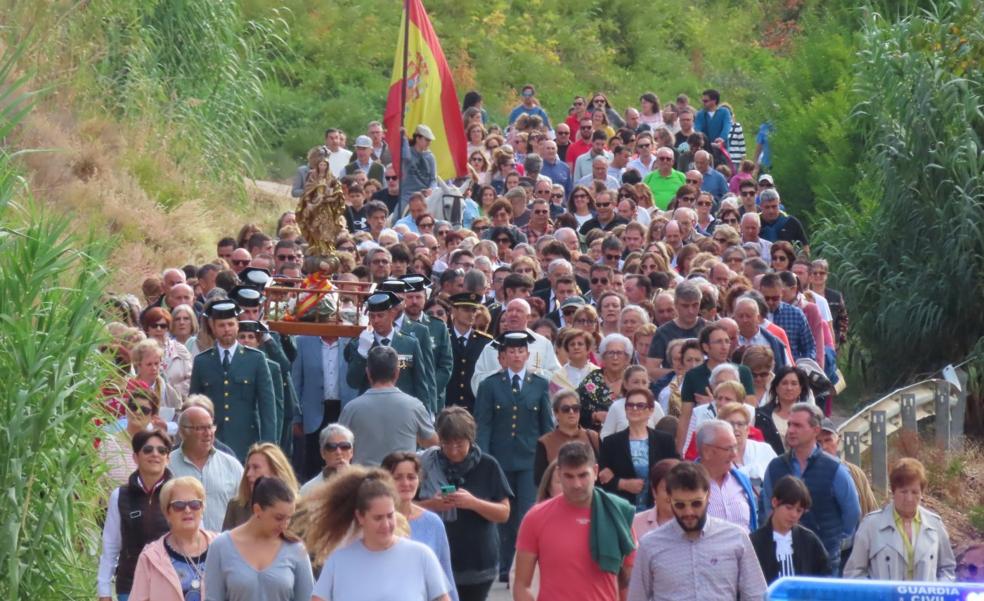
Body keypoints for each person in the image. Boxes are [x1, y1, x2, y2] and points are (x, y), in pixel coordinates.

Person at [473, 331, 554, 583]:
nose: (516, 356)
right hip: (500, 459)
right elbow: (483, 425)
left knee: (528, 514)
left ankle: (524, 567)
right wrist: (484, 460)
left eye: (521, 351)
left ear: (528, 355)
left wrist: (547, 461)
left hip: (530, 460)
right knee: (504, 515)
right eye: (511, 352)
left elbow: (547, 428)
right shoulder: (490, 385)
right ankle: (504, 566)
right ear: (503, 357)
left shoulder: (539, 384)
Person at [514, 441, 636, 601]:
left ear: (595, 471)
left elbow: (629, 581)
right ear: (558, 474)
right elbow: (522, 585)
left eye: (583, 475)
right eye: (569, 476)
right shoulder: (535, 517)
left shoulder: (618, 513)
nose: (576, 484)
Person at [627, 462, 767, 601]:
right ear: (670, 499)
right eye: (680, 505)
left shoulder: (737, 537)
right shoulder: (649, 545)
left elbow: (756, 595)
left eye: (696, 503)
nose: (689, 512)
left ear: (708, 495)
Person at [307, 467, 452, 601]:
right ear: (360, 517)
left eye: (390, 516)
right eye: (378, 518)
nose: (386, 525)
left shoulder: (422, 555)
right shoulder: (338, 560)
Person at [418, 407, 511, 601]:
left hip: (478, 562)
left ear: (471, 438)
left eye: (459, 444)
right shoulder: (426, 465)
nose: (453, 450)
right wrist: (432, 504)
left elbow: (504, 513)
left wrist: (474, 503)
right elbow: (405, 508)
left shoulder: (488, 465)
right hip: (436, 559)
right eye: (446, 444)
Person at [762, 402, 861, 573]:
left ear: (815, 431)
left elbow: (852, 513)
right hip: (783, 560)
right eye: (789, 424)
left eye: (798, 425)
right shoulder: (775, 467)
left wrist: (835, 542)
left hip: (824, 563)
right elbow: (767, 510)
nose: (791, 430)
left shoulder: (835, 469)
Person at [188, 300, 276, 461]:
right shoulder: (202, 361)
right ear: (213, 328)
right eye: (221, 325)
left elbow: (267, 407)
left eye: (230, 324)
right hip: (212, 442)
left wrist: (268, 447)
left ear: (237, 325)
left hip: (246, 442)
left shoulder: (255, 359)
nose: (226, 329)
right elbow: (193, 404)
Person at [844, 458, 956, 581]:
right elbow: (854, 573)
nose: (909, 498)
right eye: (903, 492)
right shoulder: (871, 525)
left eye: (915, 492)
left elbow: (947, 569)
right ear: (893, 491)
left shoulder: (935, 525)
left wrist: (938, 592)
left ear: (922, 493)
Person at [205, 477, 312, 600]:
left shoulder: (296, 549)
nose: (285, 525)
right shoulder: (220, 546)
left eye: (289, 518)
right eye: (279, 518)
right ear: (257, 510)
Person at [98, 429, 174, 601]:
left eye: (162, 451)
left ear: (168, 458)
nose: (155, 454)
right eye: (148, 450)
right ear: (135, 457)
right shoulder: (120, 495)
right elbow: (110, 545)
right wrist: (104, 590)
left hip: (172, 585)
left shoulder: (179, 493)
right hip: (130, 586)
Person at [339, 346, 438, 466]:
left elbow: (339, 446)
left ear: (368, 372)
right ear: (397, 372)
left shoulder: (351, 409)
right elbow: (433, 444)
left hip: (364, 481)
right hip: (402, 482)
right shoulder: (414, 406)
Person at [382, 452, 459, 601]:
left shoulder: (433, 523)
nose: (405, 483)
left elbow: (445, 573)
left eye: (411, 477)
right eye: (397, 478)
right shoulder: (376, 522)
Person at [129, 477, 218, 601]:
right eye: (179, 505)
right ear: (167, 512)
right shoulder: (150, 557)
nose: (187, 510)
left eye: (194, 504)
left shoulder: (222, 547)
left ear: (202, 508)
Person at [291, 333, 357, 481]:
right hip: (313, 413)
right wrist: (296, 416)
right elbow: (296, 381)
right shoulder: (302, 341)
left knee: (344, 461)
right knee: (313, 464)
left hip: (344, 410)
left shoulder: (351, 339)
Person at [598, 388, 679, 509]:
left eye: (640, 405)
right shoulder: (611, 443)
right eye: (630, 405)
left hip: (659, 508)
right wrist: (622, 484)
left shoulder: (665, 441)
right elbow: (600, 480)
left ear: (651, 410)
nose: (634, 409)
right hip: (622, 510)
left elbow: (676, 472)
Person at [345, 291, 429, 405]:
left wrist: (426, 412)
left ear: (391, 314)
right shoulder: (359, 344)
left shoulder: (410, 344)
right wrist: (362, 353)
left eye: (380, 315)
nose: (376, 320)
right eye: (372, 316)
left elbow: (420, 383)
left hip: (403, 408)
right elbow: (353, 382)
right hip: (371, 408)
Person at [168, 406, 244, 532]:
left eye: (210, 427)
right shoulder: (167, 465)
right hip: (181, 547)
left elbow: (244, 507)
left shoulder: (231, 465)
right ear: (182, 432)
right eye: (200, 428)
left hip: (223, 547)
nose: (208, 433)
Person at [749, 475, 830, 583]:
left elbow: (825, 577)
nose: (793, 515)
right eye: (788, 507)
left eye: (799, 510)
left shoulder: (810, 541)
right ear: (774, 502)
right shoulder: (755, 542)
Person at [695, 420, 757, 532]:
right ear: (706, 451)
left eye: (735, 447)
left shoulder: (742, 481)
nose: (734, 454)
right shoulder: (686, 483)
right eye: (728, 449)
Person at [223, 443, 300, 530]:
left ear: (275, 471)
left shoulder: (299, 510)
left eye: (256, 468)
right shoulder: (236, 507)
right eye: (248, 468)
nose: (248, 474)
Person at [533, 389, 600, 485]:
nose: (571, 412)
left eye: (575, 408)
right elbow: (540, 480)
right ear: (556, 413)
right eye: (566, 409)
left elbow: (601, 472)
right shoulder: (545, 442)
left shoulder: (593, 437)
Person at [445, 292, 495, 412]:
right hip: (447, 406)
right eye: (466, 310)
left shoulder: (485, 341)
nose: (471, 314)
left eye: (474, 310)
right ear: (454, 311)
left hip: (474, 407)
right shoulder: (443, 337)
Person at [578, 333, 633, 431]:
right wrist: (594, 416)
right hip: (596, 436)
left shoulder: (634, 378)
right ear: (603, 357)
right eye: (610, 353)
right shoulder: (592, 380)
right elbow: (578, 410)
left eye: (619, 353)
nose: (615, 357)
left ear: (627, 358)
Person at [718, 402, 776, 492]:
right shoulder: (715, 454)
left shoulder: (764, 450)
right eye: (730, 424)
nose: (736, 428)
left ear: (748, 429)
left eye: (740, 424)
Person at [755, 366, 811, 455]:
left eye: (794, 384)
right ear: (776, 387)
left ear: (801, 388)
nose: (789, 388)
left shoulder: (811, 416)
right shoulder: (761, 415)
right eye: (784, 383)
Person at [600, 365, 666, 439]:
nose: (640, 386)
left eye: (644, 382)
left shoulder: (655, 406)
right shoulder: (616, 407)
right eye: (636, 382)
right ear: (625, 384)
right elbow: (605, 435)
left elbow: (663, 434)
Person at [299, 424, 354, 496]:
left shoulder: (362, 486)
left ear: (351, 452)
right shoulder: (308, 490)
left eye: (344, 446)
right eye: (331, 447)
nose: (338, 452)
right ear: (322, 453)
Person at [631, 458, 680, 538]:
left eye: (678, 489)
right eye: (667, 490)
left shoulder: (695, 524)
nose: (672, 495)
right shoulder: (634, 523)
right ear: (654, 491)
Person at [129, 338, 182, 410]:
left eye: (156, 363)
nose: (154, 368)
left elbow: (178, 412)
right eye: (149, 364)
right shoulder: (129, 388)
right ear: (139, 365)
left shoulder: (168, 391)